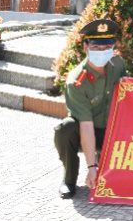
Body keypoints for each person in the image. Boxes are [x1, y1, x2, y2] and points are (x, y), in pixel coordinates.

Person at [54, 18, 126, 199]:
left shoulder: (118, 64)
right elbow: (86, 126)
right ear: (85, 47)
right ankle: (69, 179)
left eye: (106, 47)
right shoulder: (77, 81)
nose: (102, 52)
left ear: (113, 47)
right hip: (86, 131)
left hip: (112, 131)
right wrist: (91, 167)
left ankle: (117, 169)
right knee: (65, 129)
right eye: (96, 47)